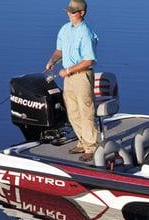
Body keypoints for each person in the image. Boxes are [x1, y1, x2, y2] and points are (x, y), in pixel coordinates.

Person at [45, 0, 99, 162]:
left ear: (82, 13)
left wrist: (68, 70)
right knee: (73, 111)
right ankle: (82, 141)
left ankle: (92, 147)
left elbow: (89, 60)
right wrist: (52, 60)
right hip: (68, 78)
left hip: (82, 76)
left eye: (73, 11)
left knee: (85, 111)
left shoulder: (86, 33)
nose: (69, 14)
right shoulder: (65, 29)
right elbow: (59, 50)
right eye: (69, 11)